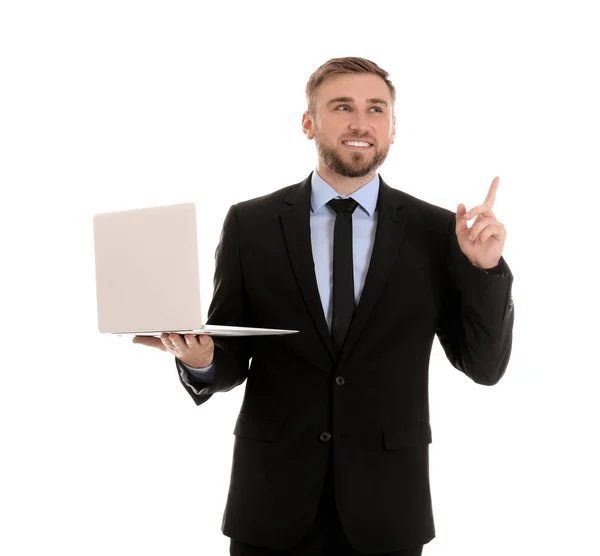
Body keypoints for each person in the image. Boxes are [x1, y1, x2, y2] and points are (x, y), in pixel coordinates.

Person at [133, 57, 514, 556]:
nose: (361, 122)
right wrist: (200, 361)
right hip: (271, 504)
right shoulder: (252, 224)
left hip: (388, 508)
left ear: (393, 129)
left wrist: (484, 271)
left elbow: (484, 367)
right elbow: (228, 352)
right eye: (342, 107)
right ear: (309, 122)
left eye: (376, 109)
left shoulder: (438, 231)